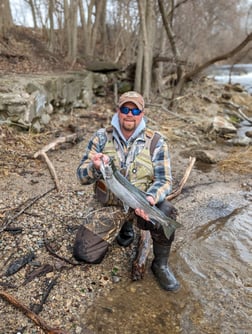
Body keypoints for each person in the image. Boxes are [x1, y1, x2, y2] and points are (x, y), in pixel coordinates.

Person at [75, 91, 179, 292]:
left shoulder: (156, 142)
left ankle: (160, 265)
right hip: (111, 206)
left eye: (135, 110)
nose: (129, 114)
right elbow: (81, 176)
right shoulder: (101, 138)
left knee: (167, 212)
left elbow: (165, 180)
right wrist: (95, 168)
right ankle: (125, 227)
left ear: (142, 113)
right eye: (125, 109)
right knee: (84, 254)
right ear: (118, 111)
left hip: (142, 204)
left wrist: (150, 198)